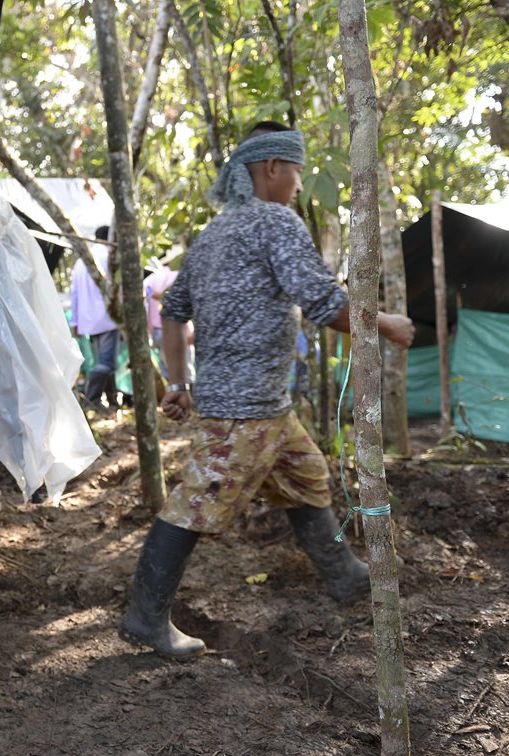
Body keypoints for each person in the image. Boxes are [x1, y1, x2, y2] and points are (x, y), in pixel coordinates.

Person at [120, 121, 416, 658]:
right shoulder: (274, 222)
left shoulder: (212, 234)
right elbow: (325, 302)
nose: (300, 184)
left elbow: (172, 310)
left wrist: (179, 381)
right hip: (243, 412)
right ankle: (146, 616)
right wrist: (388, 322)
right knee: (194, 503)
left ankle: (346, 577)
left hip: (268, 409)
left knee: (306, 475)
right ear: (272, 168)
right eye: (297, 171)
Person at [69, 225, 121, 409]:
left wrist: (75, 322)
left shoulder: (81, 261)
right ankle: (91, 399)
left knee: (104, 363)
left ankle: (112, 401)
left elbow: (73, 294)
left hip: (89, 321)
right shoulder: (110, 257)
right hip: (109, 318)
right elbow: (119, 288)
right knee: (107, 364)